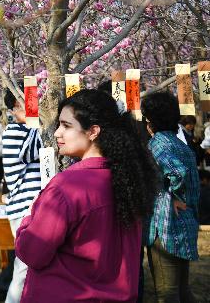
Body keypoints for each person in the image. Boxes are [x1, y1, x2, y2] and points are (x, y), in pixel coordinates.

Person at [15, 89, 158, 302]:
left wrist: (28, 221)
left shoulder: (67, 186)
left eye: (66, 125)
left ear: (93, 131)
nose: (57, 133)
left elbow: (33, 252)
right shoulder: (128, 179)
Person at [141, 91, 200, 303]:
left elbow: (178, 172)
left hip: (165, 225)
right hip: (185, 222)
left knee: (167, 292)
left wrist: (170, 193)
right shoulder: (179, 142)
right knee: (182, 289)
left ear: (150, 120)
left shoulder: (157, 143)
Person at [1, 87, 42, 303]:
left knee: (29, 268)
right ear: (15, 107)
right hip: (24, 207)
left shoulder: (26, 129)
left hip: (32, 207)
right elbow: (31, 150)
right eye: (30, 102)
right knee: (23, 267)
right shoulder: (14, 132)